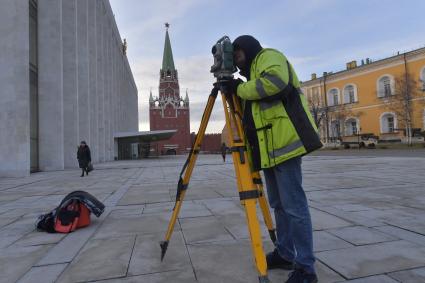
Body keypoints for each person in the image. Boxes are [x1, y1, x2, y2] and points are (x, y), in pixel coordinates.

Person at [225, 35, 322, 283]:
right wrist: (235, 91)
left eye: (237, 56)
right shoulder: (252, 73)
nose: (236, 63)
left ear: (247, 50)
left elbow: (276, 82)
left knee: (295, 207)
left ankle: (306, 268)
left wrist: (239, 88)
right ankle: (286, 252)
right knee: (279, 205)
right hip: (269, 150)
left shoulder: (268, 57)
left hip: (285, 145)